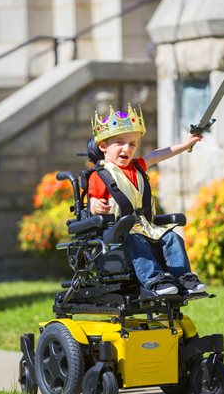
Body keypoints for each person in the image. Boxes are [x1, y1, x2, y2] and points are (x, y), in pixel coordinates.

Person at [88, 103, 206, 296]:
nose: (127, 148)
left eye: (132, 143)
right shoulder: (100, 175)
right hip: (118, 230)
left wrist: (185, 145)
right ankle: (155, 280)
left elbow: (158, 154)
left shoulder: (138, 167)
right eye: (119, 142)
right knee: (135, 241)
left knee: (172, 237)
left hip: (144, 226)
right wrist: (95, 205)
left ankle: (184, 278)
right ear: (103, 146)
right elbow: (92, 201)